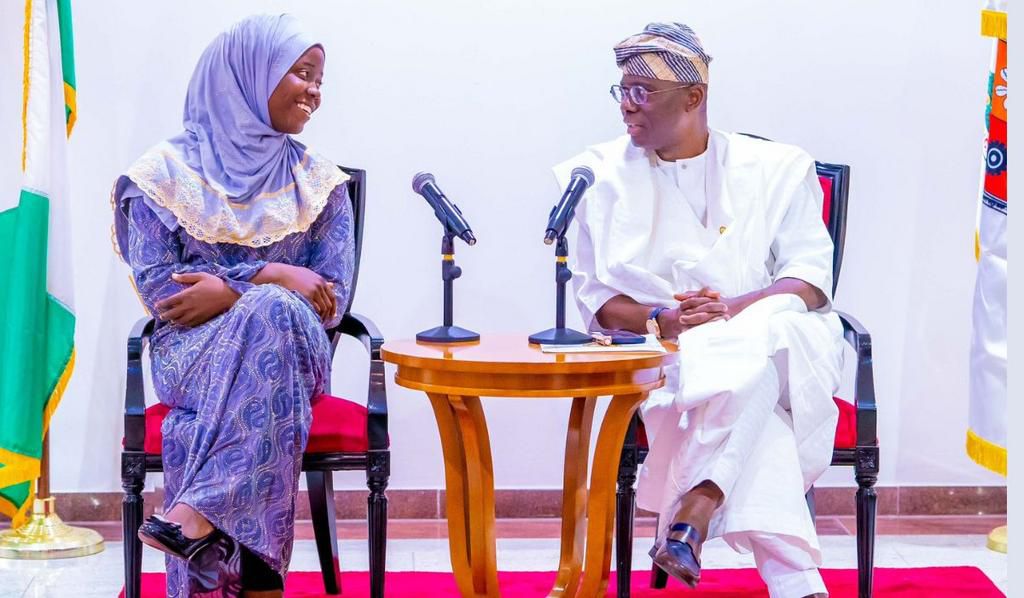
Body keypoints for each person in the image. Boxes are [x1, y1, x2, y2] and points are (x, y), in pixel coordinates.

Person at [556, 22, 843, 598]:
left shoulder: (778, 167)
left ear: (694, 97)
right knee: (758, 373)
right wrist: (664, 319)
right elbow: (597, 301)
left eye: (643, 92)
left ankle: (694, 509)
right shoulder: (594, 176)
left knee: (774, 325)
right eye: (622, 91)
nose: (627, 108)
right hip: (668, 358)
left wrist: (735, 308)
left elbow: (810, 279)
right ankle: (783, 573)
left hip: (769, 338)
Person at [112, 14, 354, 597]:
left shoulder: (319, 182)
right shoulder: (160, 176)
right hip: (190, 355)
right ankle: (257, 576)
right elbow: (162, 292)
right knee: (271, 305)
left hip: (297, 351)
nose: (315, 91)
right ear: (248, 76)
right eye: (302, 73)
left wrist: (238, 291)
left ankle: (198, 514)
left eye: (320, 77)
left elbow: (330, 299)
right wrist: (266, 275)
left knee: (273, 314)